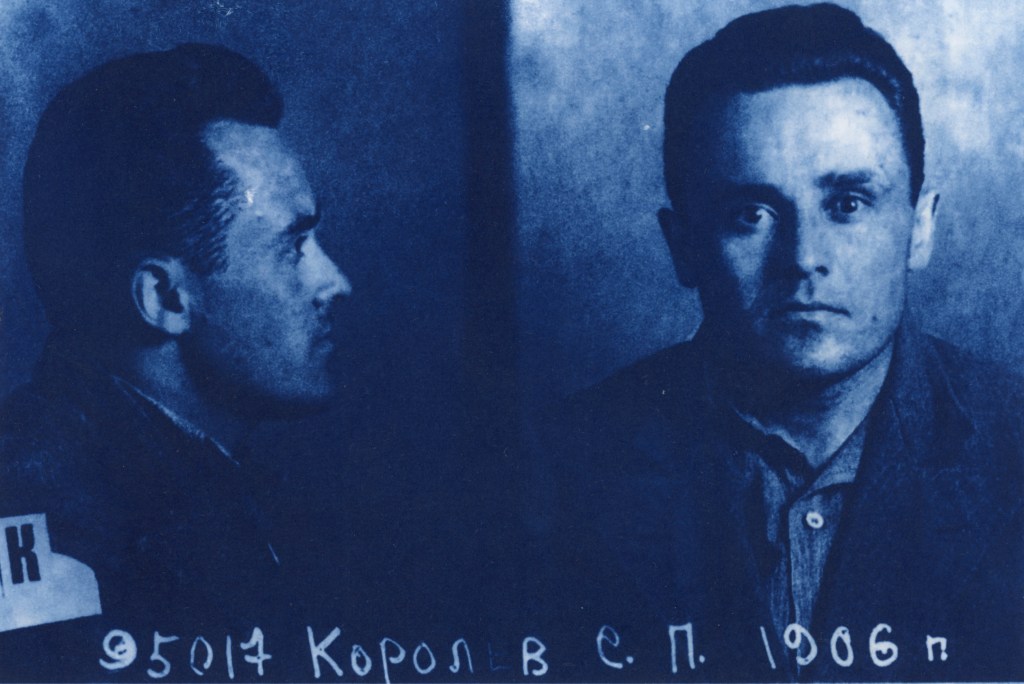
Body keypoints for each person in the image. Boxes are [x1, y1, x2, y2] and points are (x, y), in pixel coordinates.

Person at [543, 4, 1023, 681]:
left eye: (847, 203)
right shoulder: (554, 472)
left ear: (920, 227)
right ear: (683, 247)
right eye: (752, 214)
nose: (802, 259)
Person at [0, 44, 350, 677]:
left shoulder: (229, 484)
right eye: (293, 246)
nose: (336, 283)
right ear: (164, 298)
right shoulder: (38, 517)